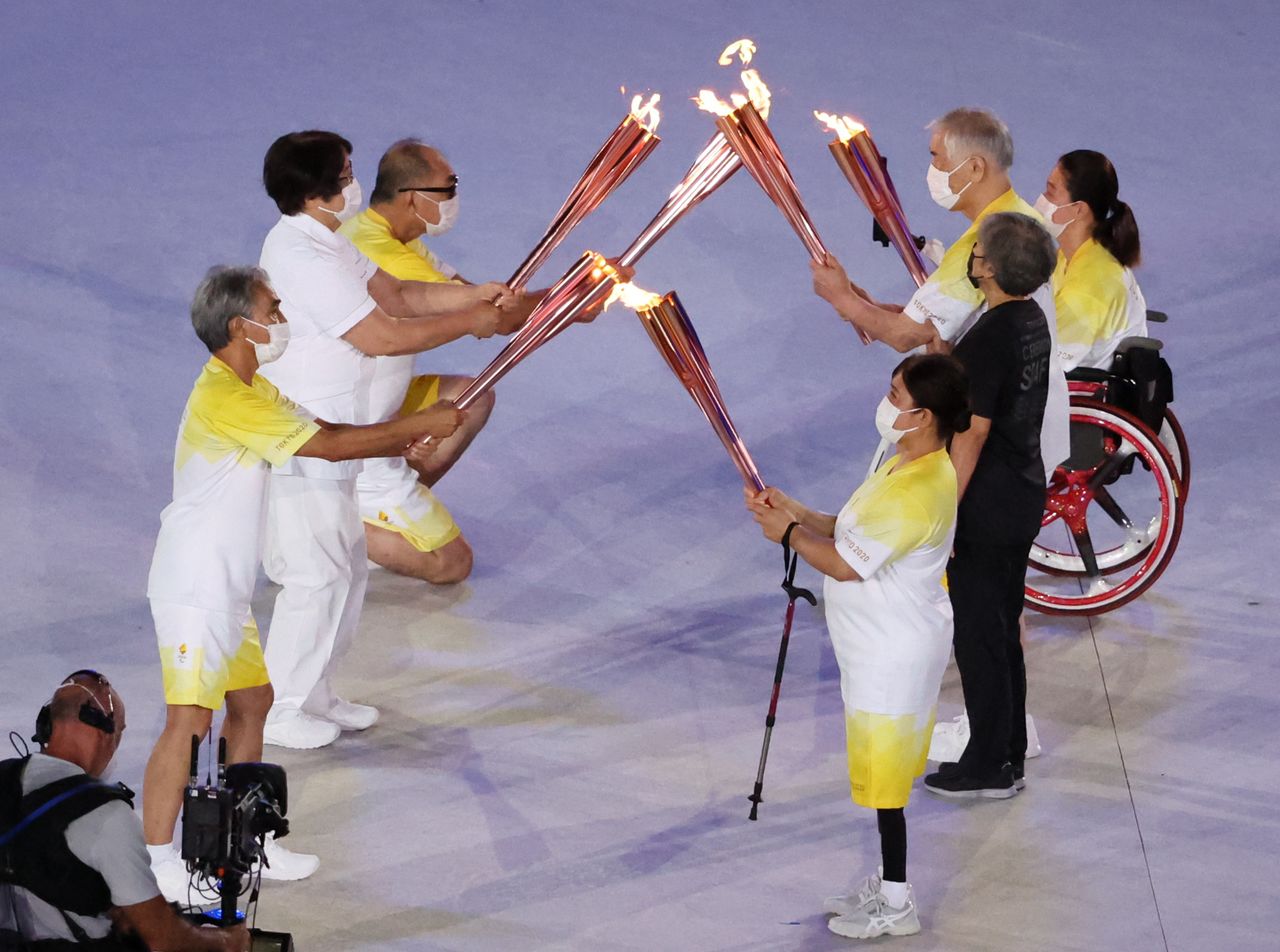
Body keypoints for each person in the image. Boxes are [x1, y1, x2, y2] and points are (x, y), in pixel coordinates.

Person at [142, 266, 465, 900]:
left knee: (253, 702)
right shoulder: (228, 398)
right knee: (190, 720)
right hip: (195, 584)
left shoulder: (251, 386)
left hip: (226, 589)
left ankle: (245, 841)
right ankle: (159, 867)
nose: (283, 317)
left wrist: (406, 435)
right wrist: (412, 427)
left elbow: (331, 432)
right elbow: (330, 446)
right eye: (274, 307)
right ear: (242, 326)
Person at [255, 130, 518, 750]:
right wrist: (470, 321)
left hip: (349, 432)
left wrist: (475, 295)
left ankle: (318, 695)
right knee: (316, 579)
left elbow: (399, 293)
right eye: (345, 176)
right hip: (308, 439)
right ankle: (282, 709)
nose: (355, 185)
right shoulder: (300, 256)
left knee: (347, 570)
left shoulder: (329, 242)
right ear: (317, 193)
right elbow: (381, 336)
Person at [746, 355, 970, 940]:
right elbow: (847, 527)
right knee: (880, 774)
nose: (887, 402)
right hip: (872, 648)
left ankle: (898, 902)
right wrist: (795, 511)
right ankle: (888, 884)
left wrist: (789, 536)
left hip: (894, 654)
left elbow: (847, 565)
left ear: (924, 416)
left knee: (888, 785)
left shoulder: (919, 491)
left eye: (896, 395)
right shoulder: (902, 463)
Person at [811, 106, 1069, 484]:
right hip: (1028, 402)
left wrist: (841, 298)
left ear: (975, 168)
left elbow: (906, 335)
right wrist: (863, 305)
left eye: (938, 158)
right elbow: (941, 320)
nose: (933, 170)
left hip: (990, 433)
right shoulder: (1021, 220)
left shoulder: (985, 247)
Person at [340, 138, 539, 584]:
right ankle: (312, 524)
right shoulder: (379, 252)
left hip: (377, 402)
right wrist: (577, 295)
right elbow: (495, 320)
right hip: (352, 424)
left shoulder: (400, 239)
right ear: (413, 197)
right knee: (453, 566)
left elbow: (488, 302)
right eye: (447, 188)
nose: (454, 198)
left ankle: (386, 512)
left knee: (469, 398)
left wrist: (568, 296)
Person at [920, 213, 1057, 799]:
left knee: (979, 636)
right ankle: (1007, 753)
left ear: (992, 268)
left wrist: (944, 511)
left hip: (986, 505)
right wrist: (950, 360)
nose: (972, 258)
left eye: (977, 253)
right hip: (1023, 489)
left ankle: (987, 766)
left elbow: (971, 434)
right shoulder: (1029, 320)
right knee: (1002, 630)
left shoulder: (995, 333)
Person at [1, 671, 248, 951]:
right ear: (104, 733)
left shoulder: (3, 777)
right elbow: (165, 940)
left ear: (45, 726)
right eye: (120, 732)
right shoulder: (107, 815)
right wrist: (226, 942)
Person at [1034, 149, 1147, 371]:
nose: (1041, 199)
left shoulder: (1092, 283)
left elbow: (1047, 364)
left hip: (1076, 390)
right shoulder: (1072, 257)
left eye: (1051, 191)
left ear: (1078, 209)